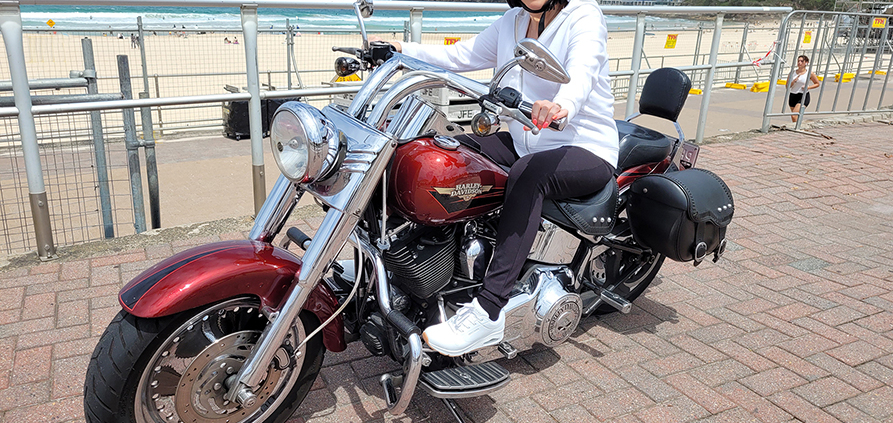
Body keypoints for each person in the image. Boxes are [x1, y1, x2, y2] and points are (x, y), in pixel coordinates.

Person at [375, 0, 618, 356]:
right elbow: (461, 55)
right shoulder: (513, 21)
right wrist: (398, 51)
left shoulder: (583, 15)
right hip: (526, 141)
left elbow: (583, 70)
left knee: (527, 177)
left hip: (583, 145)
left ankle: (489, 310)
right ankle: (403, 261)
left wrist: (562, 104)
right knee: (443, 156)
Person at [788, 55, 820, 123]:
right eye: (798, 61)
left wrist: (808, 87)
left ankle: (797, 128)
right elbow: (787, 86)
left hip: (803, 95)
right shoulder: (792, 73)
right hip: (793, 95)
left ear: (806, 62)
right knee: (796, 117)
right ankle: (797, 127)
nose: (799, 62)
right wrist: (793, 81)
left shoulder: (809, 73)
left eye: (802, 61)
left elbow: (817, 83)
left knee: (794, 115)